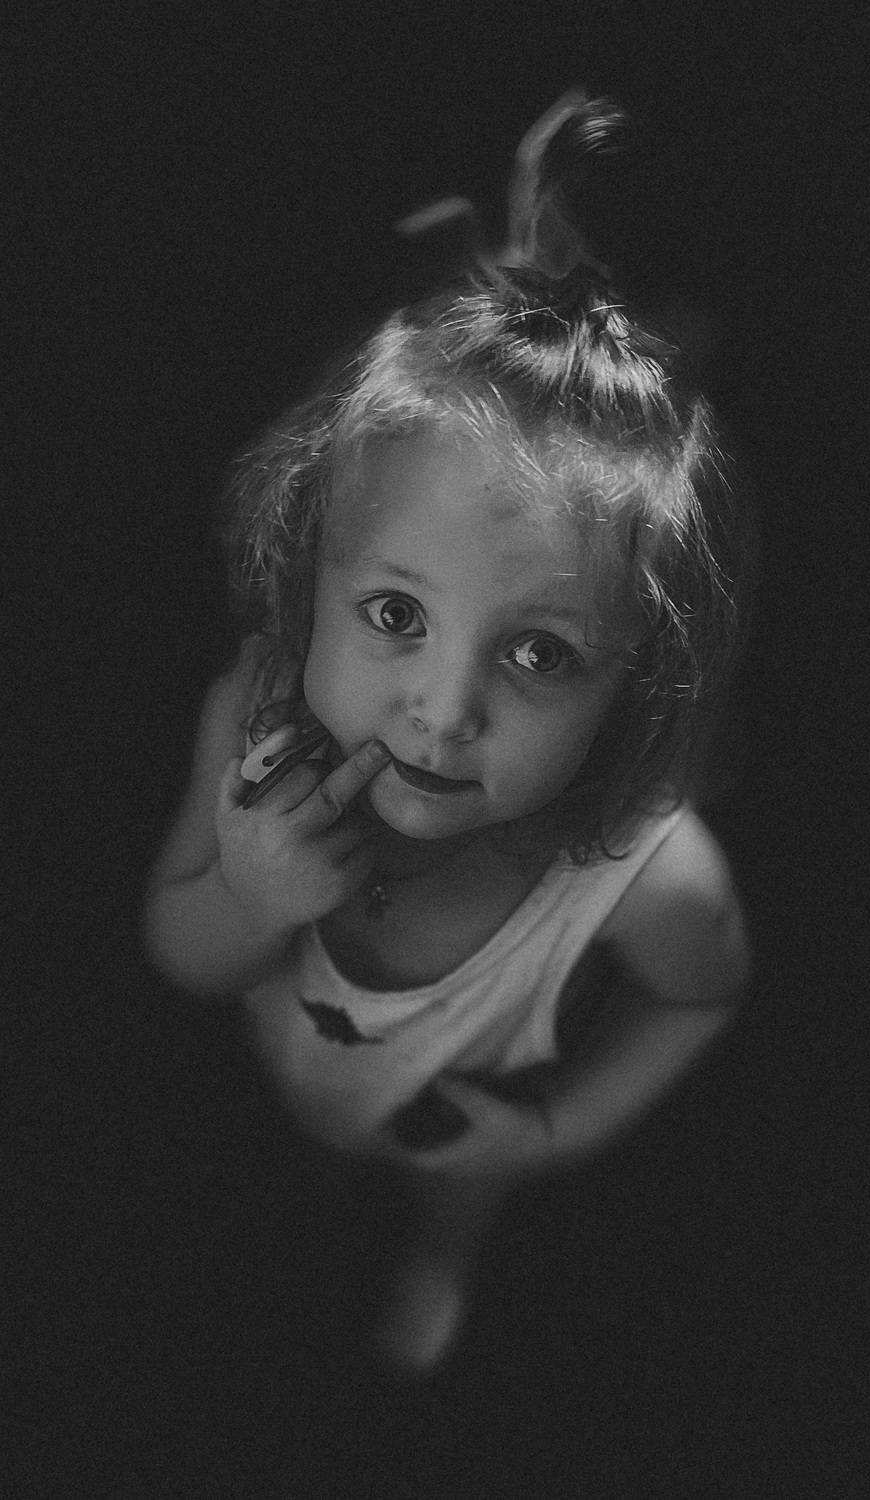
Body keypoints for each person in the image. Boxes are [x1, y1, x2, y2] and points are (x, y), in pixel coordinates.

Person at [144, 95, 754, 1375]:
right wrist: (249, 899)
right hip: (282, 1078)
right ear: (310, 581)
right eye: (394, 615)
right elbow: (182, 953)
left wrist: (554, 1135)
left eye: (538, 654)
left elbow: (704, 995)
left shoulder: (643, 872)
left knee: (452, 1186)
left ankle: (441, 1259)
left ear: (634, 684)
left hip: (463, 1131)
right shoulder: (254, 724)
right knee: (268, 1184)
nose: (443, 707)